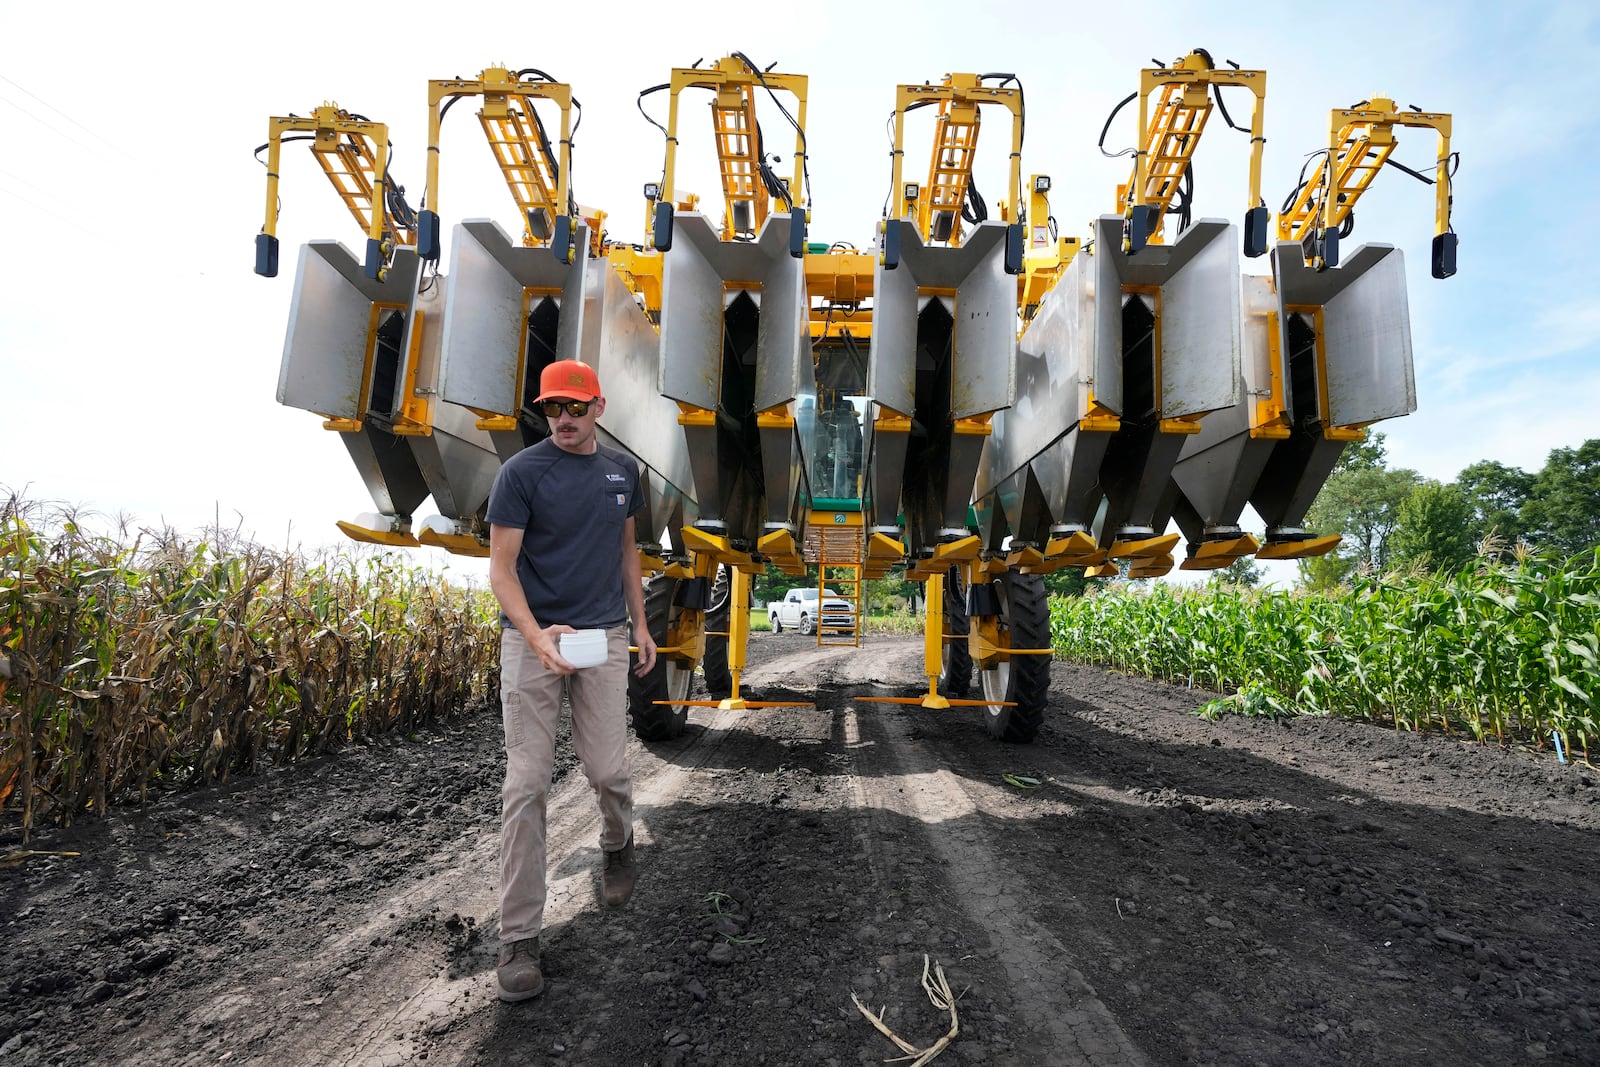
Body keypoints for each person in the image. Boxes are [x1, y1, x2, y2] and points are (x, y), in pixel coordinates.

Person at [485, 358, 657, 1004]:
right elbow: (502, 570)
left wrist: (640, 624)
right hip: (534, 638)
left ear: (598, 409)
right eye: (552, 407)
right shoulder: (520, 475)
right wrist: (535, 637)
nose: (562, 417)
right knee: (526, 783)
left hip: (603, 637)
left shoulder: (622, 473)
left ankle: (618, 843)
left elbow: (625, 548)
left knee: (608, 769)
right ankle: (519, 937)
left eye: (574, 407)